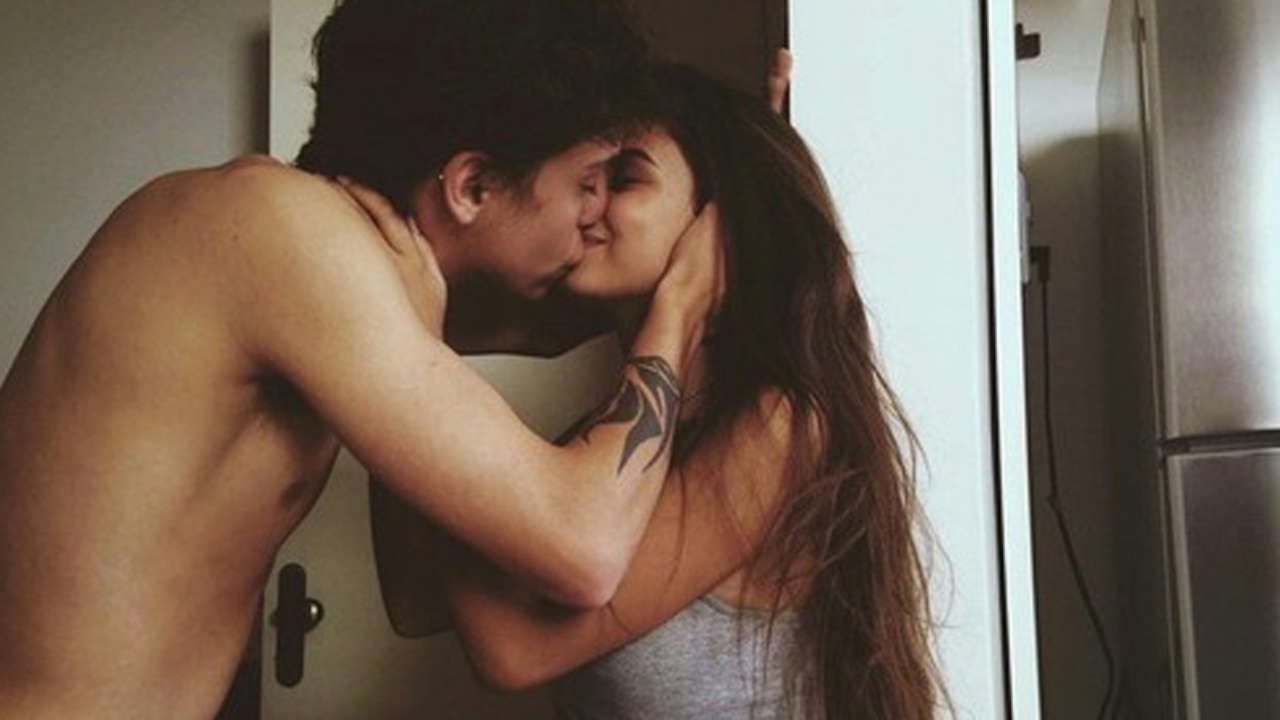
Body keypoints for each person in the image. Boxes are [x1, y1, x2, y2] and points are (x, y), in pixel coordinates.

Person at [0, 2, 719, 718]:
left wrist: (759, 170)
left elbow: (562, 328)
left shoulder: (347, 263)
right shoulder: (282, 229)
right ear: (472, 187)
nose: (593, 218)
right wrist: (682, 302)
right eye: (588, 183)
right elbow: (585, 549)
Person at [367, 63, 943, 719]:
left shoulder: (778, 428)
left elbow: (514, 648)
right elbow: (415, 602)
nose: (587, 205)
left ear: (716, 227)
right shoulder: (599, 459)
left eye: (624, 179)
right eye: (588, 179)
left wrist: (679, 306)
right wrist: (395, 363)